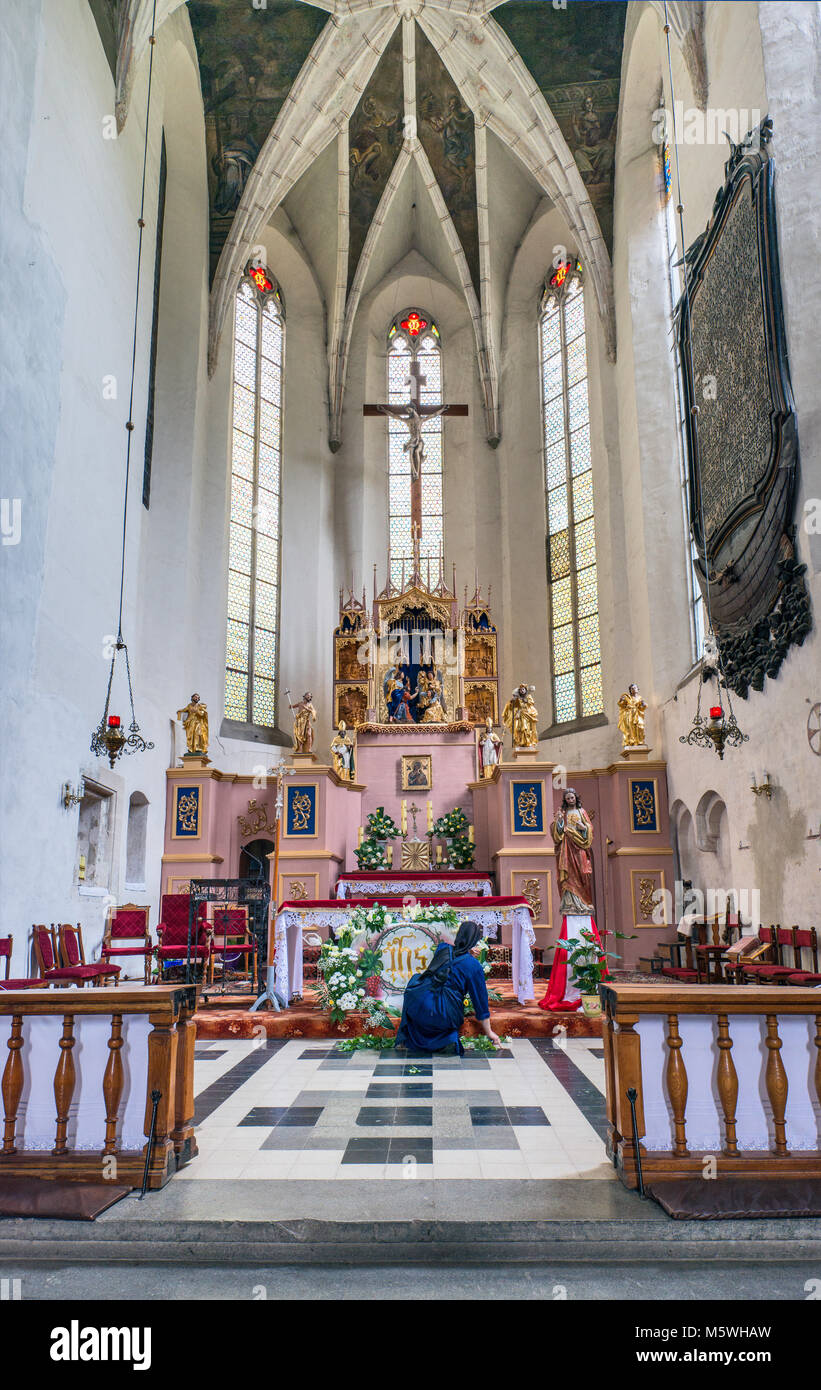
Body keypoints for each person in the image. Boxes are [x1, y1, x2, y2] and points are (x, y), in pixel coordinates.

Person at [395, 921, 500, 1055]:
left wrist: (467, 952)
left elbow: (453, 955)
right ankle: (445, 1041)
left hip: (420, 1004)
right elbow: (481, 1003)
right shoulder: (473, 966)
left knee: (417, 979)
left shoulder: (442, 948)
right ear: (475, 941)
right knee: (446, 1012)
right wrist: (489, 1032)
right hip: (445, 1012)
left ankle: (410, 1039)